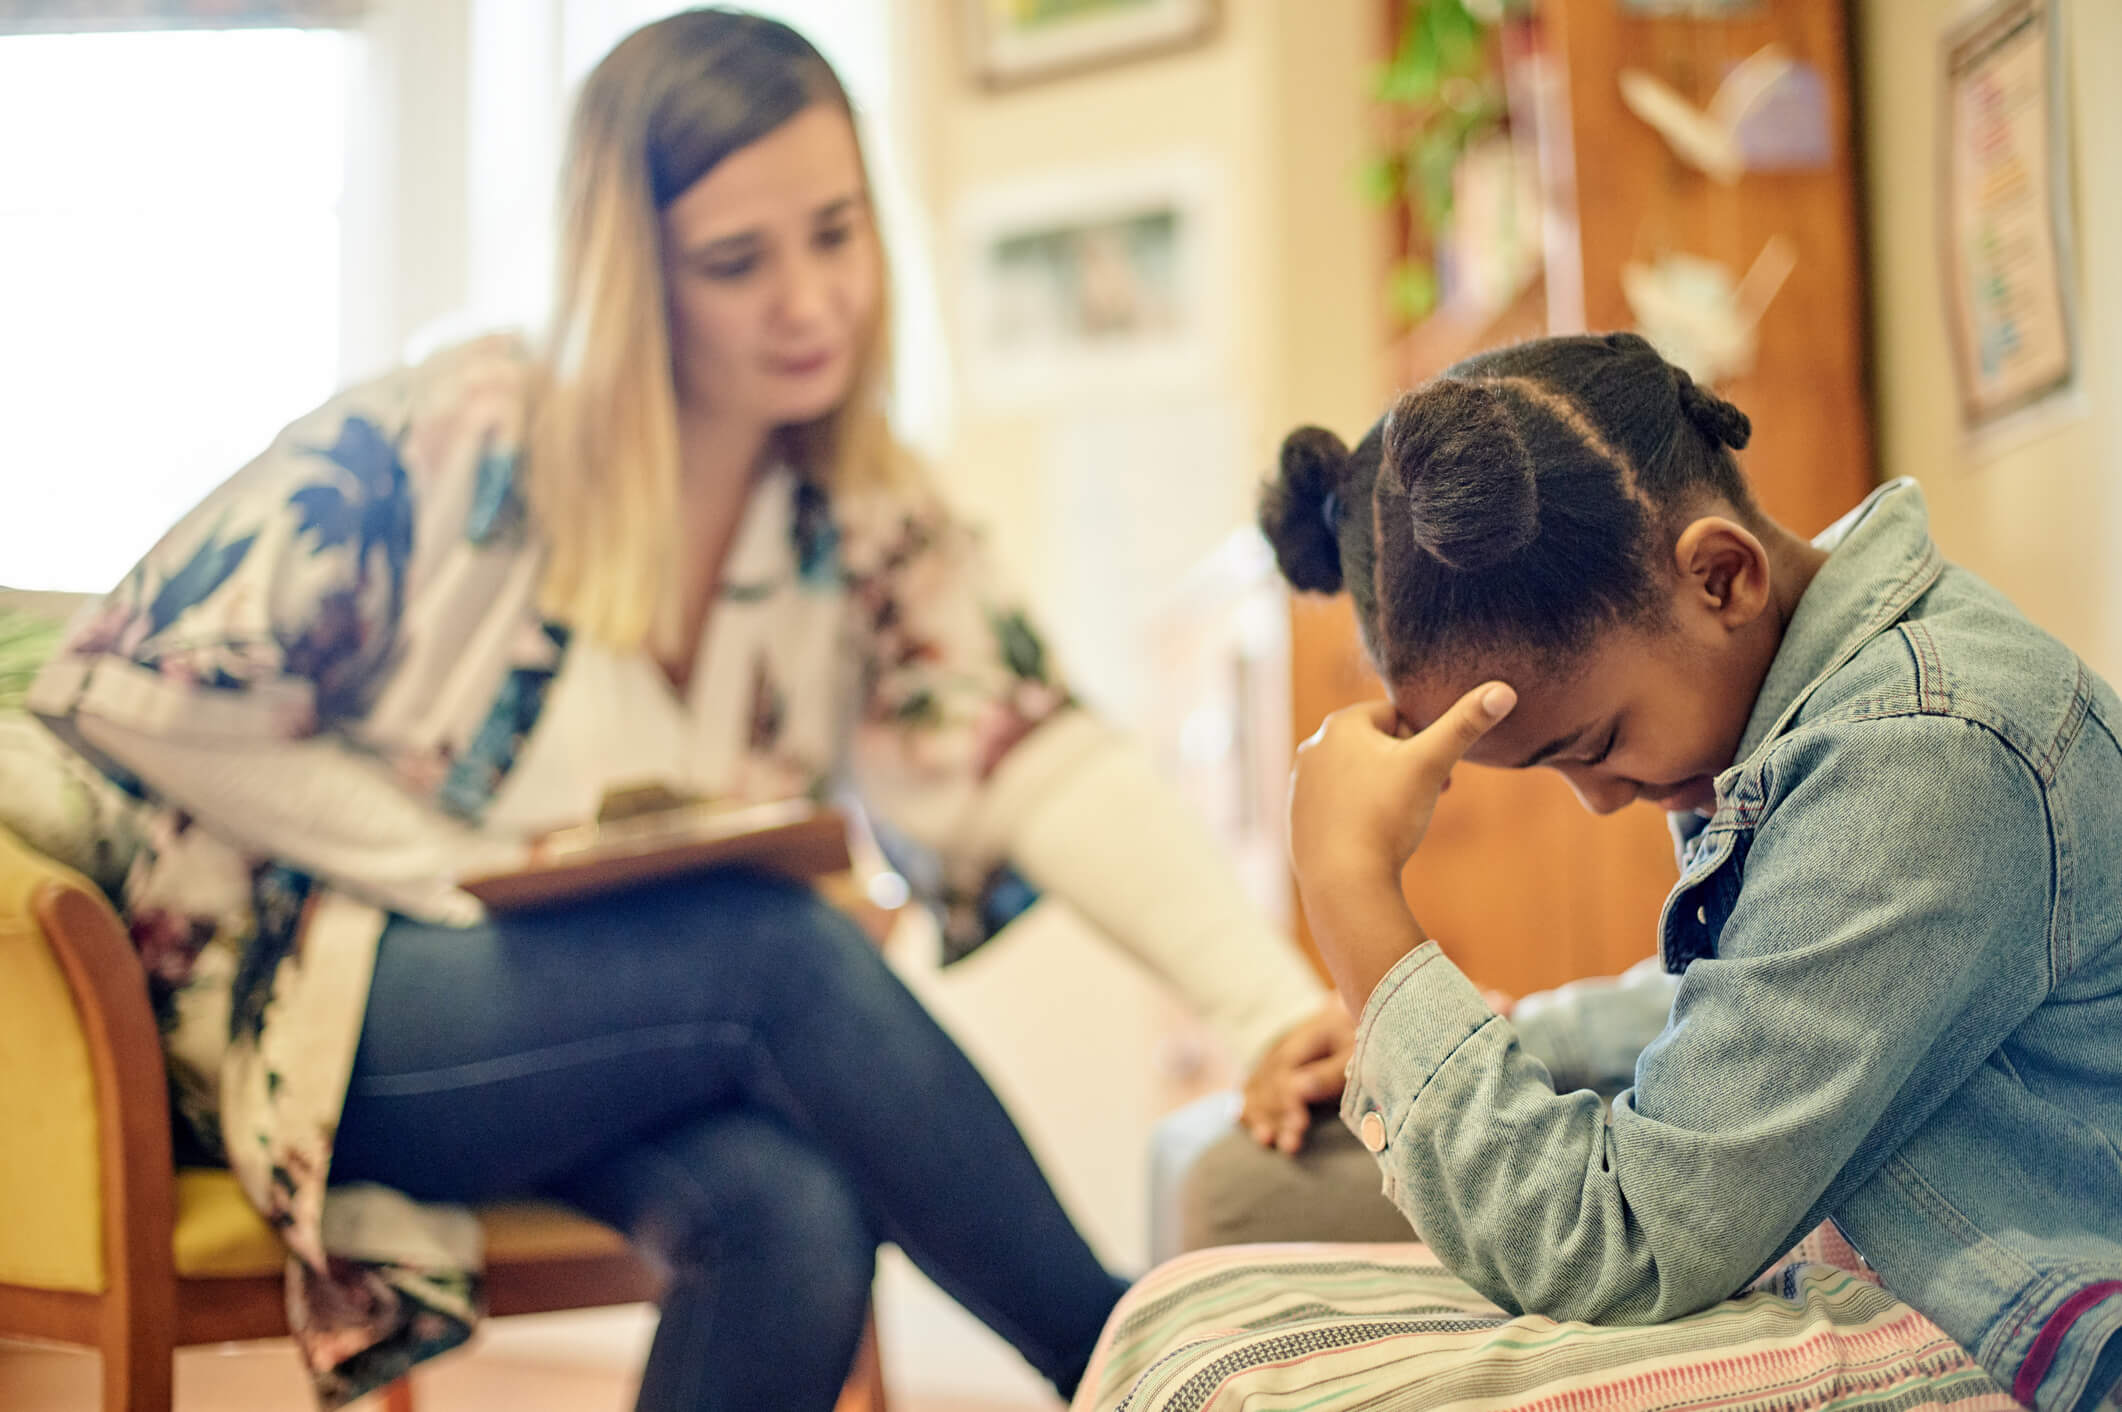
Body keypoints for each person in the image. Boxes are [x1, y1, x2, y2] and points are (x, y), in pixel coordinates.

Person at [26, 10, 1341, 1408]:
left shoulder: (859, 510)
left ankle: (1144, 1368)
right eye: (735, 263)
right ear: (630, 272)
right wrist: (441, 867)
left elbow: (1032, 756)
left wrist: (1270, 1009)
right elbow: (127, 685)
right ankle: (1145, 1370)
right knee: (771, 957)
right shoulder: (452, 430)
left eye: (835, 234)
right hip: (309, 1017)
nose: (810, 302)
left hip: (576, 1040)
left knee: (793, 1210)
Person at [1231, 332, 2120, 1410]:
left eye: (1598, 743)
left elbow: (1619, 1246)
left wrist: (1349, 892)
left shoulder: (1923, 753)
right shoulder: (1826, 699)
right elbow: (1770, 998)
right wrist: (1455, 1032)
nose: (1601, 798)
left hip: (2048, 1340)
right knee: (1233, 1212)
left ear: (1719, 576)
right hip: (1886, 1266)